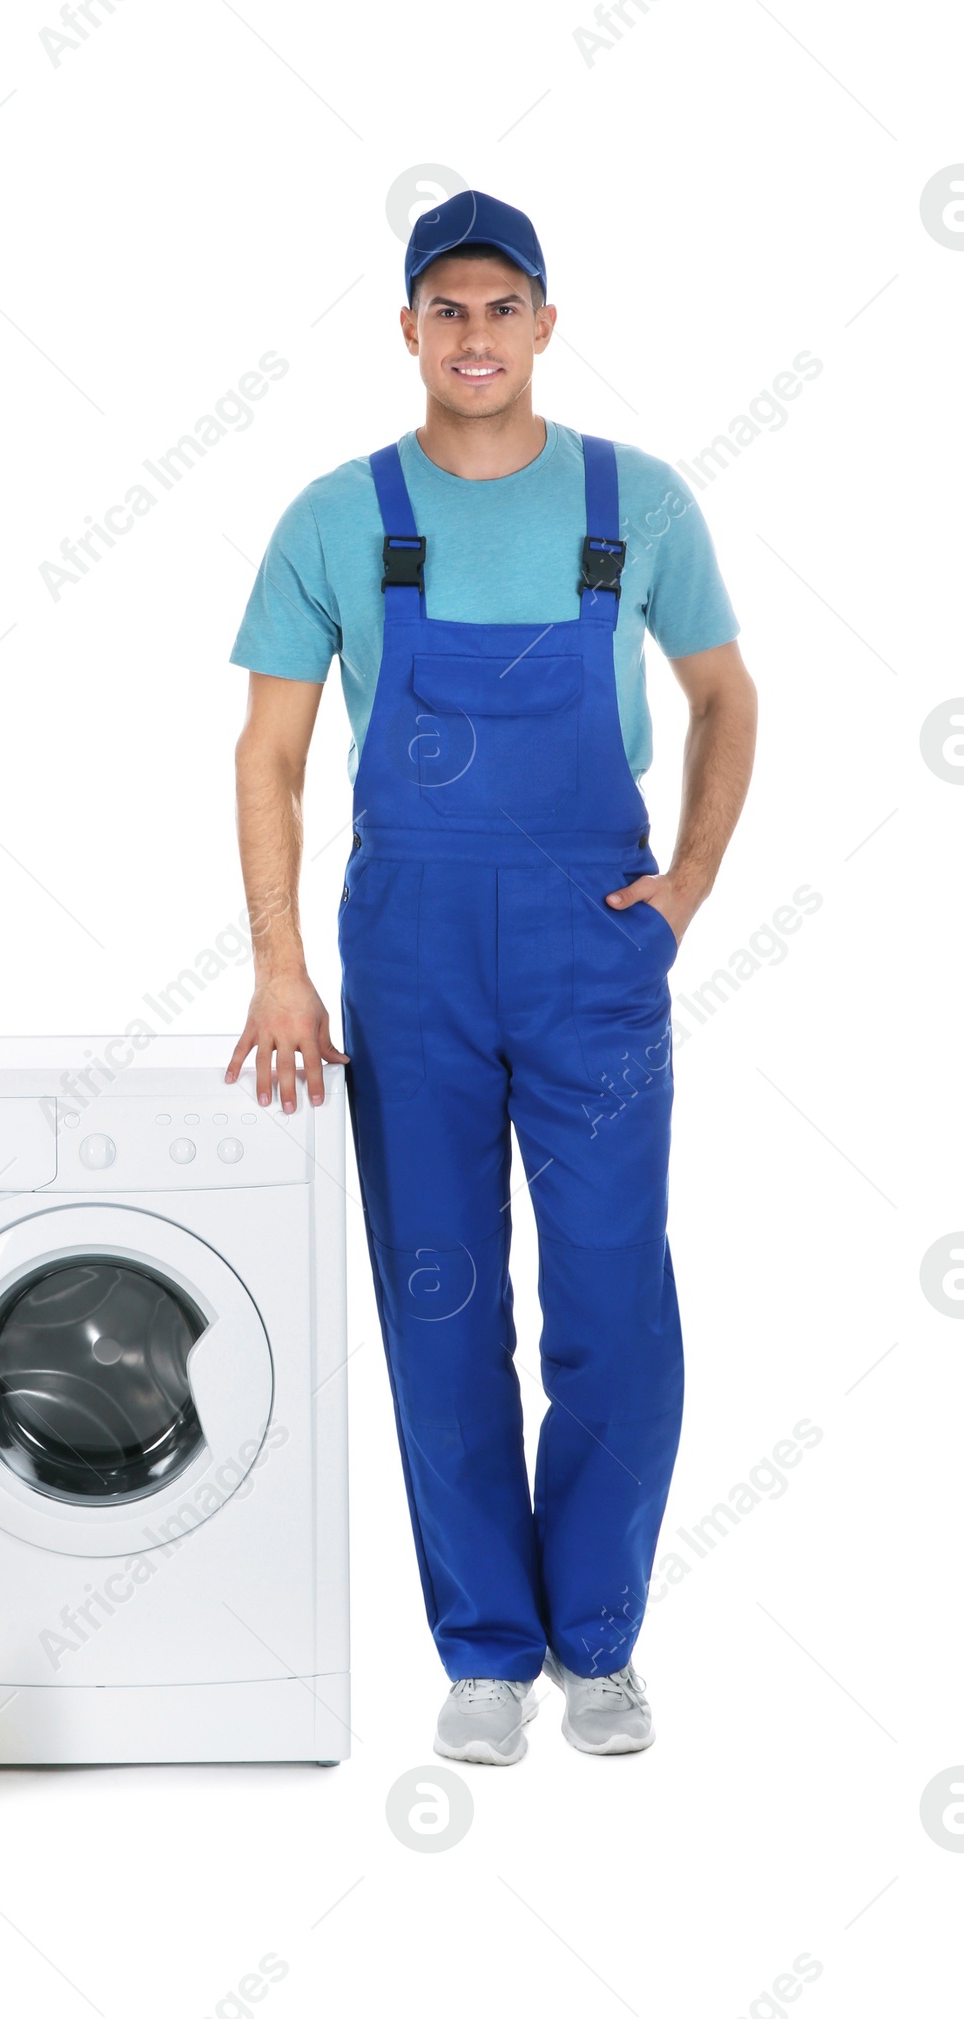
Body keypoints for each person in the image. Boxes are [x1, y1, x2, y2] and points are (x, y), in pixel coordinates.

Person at [225, 190, 756, 1764]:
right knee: (438, 1303)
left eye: (500, 306)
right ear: (407, 330)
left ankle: (597, 1644)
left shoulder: (635, 502)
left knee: (614, 1298)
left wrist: (684, 894)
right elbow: (268, 753)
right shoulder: (340, 513)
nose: (474, 335)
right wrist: (281, 970)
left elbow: (726, 697)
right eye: (445, 309)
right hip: (412, 951)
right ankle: (481, 1650)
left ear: (544, 321)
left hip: (596, 946)